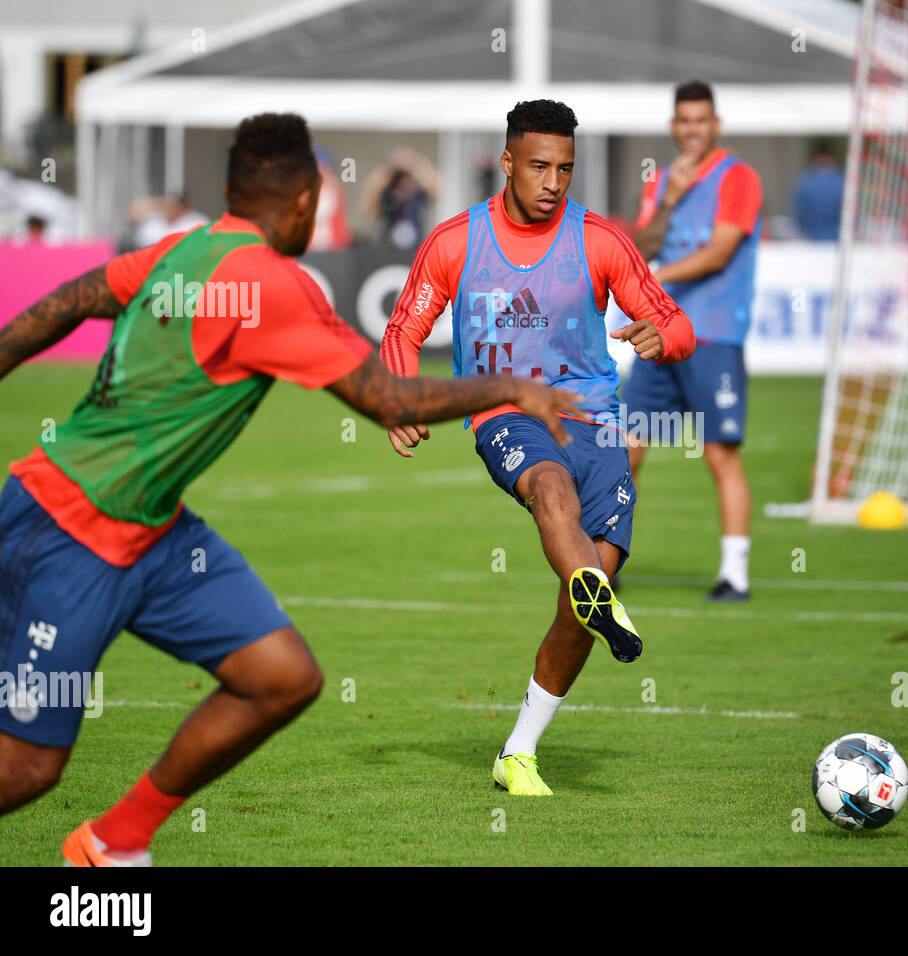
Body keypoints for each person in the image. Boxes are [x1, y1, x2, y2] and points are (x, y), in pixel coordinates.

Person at [0, 112, 576, 865]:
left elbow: (70, 300)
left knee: (282, 677)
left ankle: (115, 842)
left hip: (152, 533)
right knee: (31, 767)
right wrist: (512, 387)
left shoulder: (184, 251)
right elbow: (388, 401)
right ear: (305, 201)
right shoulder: (273, 286)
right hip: (70, 530)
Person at [381, 99, 695, 796]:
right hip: (506, 413)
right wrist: (400, 397)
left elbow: (675, 325)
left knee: (581, 604)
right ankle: (594, 592)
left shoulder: (600, 240)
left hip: (597, 423)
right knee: (547, 487)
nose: (554, 181)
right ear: (508, 163)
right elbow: (403, 330)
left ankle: (518, 751)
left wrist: (660, 336)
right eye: (540, 166)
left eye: (566, 168)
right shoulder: (456, 241)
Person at [626, 80, 763, 601]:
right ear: (673, 126)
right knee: (627, 449)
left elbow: (718, 254)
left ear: (715, 125)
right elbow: (643, 246)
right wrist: (672, 199)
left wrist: (652, 283)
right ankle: (604, 564)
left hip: (713, 335)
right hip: (659, 334)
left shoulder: (739, 178)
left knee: (719, 455)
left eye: (701, 121)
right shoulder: (661, 180)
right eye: (684, 121)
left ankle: (735, 575)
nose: (692, 130)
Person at [360, 147, 441, 250]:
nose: (405, 183)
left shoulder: (419, 195)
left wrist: (414, 163)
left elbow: (437, 185)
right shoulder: (387, 194)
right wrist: (389, 167)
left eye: (408, 178)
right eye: (400, 179)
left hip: (417, 246)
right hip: (388, 247)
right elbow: (367, 205)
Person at [790, 143, 844, 241]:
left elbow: (799, 216)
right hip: (838, 239)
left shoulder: (806, 182)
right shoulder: (842, 181)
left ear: (815, 158)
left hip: (812, 238)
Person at [129, 194, 208, 249]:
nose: (171, 210)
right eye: (168, 205)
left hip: (185, 265)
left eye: (175, 206)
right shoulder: (155, 222)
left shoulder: (196, 221)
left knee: (178, 273)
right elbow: (132, 215)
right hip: (158, 265)